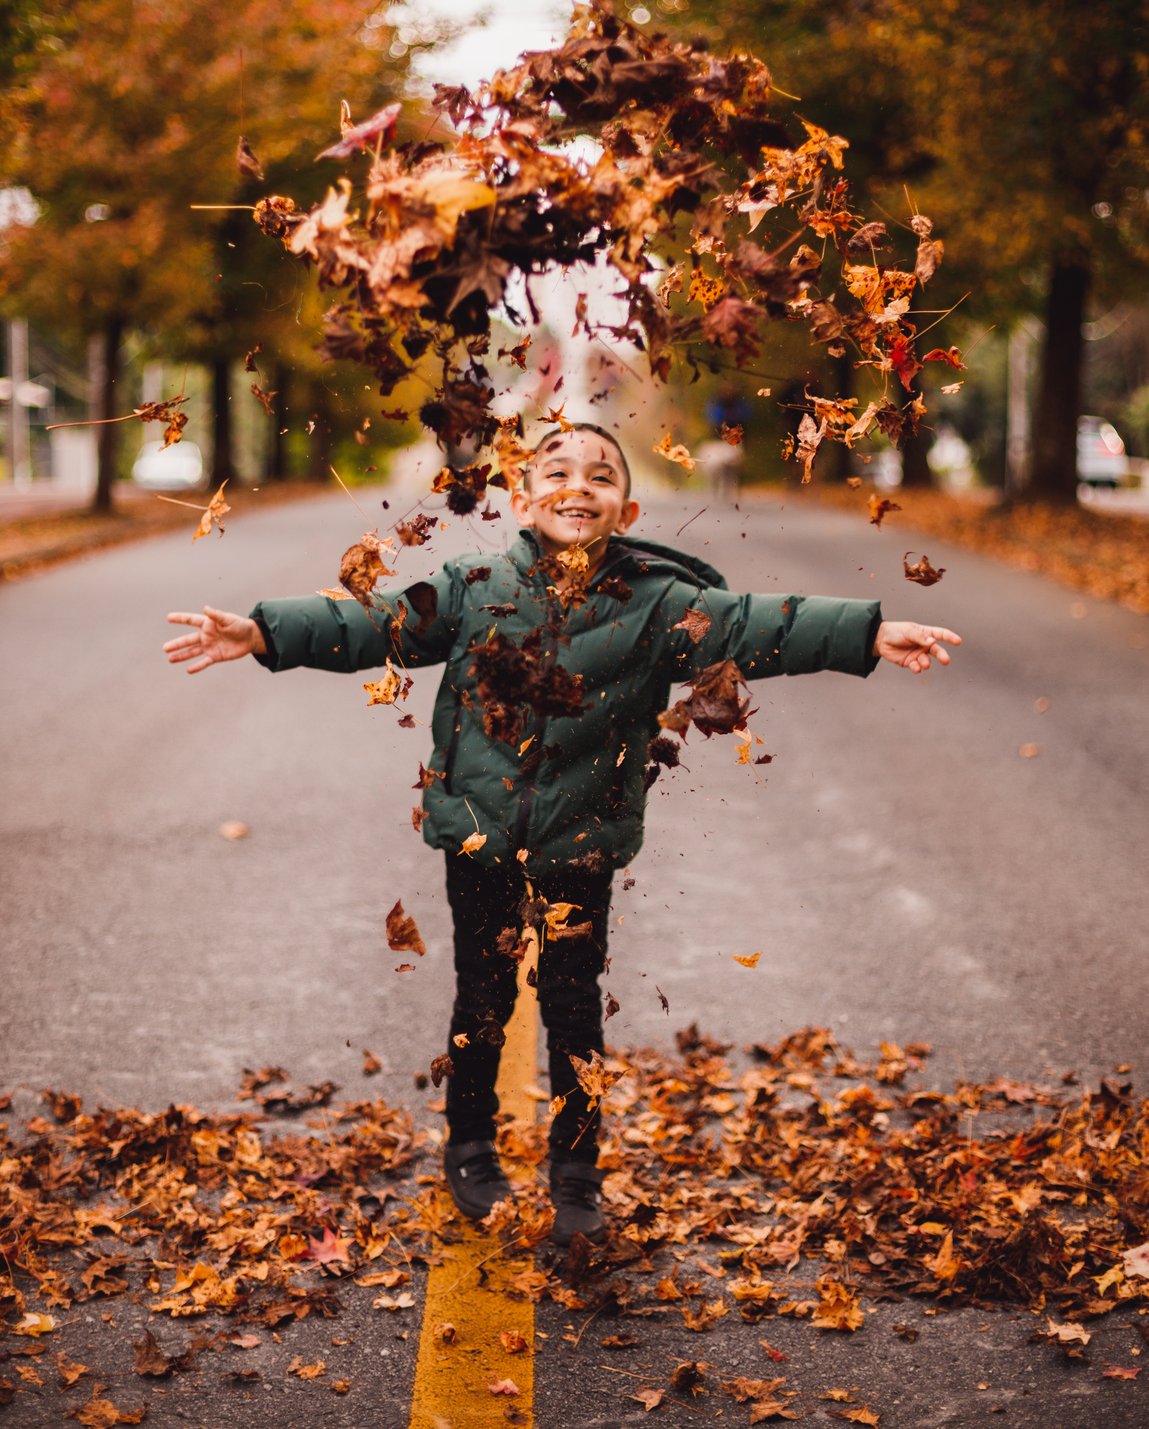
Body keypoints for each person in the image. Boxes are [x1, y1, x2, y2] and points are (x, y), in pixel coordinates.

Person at [163, 425, 961, 1244]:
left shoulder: (659, 602)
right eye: (558, 472)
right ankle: (470, 1143)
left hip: (582, 843)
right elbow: (379, 625)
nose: (579, 486)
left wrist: (868, 633)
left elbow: (763, 624)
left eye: (601, 476)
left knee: (574, 1009)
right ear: (521, 495)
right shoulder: (472, 584)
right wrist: (261, 632)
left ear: (628, 505)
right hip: (479, 837)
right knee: (483, 998)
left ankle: (577, 1170)